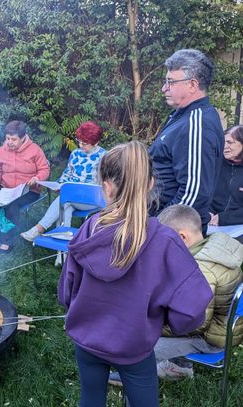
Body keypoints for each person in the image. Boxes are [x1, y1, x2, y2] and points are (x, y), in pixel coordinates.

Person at [58, 141, 212, 407]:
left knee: (90, 399)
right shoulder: (166, 240)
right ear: (150, 183)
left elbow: (66, 290)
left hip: (87, 341)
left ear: (106, 187)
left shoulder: (89, 229)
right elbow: (191, 310)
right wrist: (168, 323)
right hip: (134, 347)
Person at [153, 205, 242, 379]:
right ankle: (179, 366)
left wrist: (153, 326)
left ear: (182, 237)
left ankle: (133, 379)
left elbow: (195, 323)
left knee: (143, 343)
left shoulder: (201, 271)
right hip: (225, 328)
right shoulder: (214, 244)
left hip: (211, 339)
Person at [149, 49, 224, 235]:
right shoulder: (182, 116)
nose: (164, 88)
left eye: (170, 82)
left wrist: (156, 229)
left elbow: (194, 194)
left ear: (192, 84)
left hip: (172, 236)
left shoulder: (198, 123)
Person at [21, 121, 105, 242]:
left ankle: (40, 229)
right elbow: (68, 173)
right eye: (79, 141)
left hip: (92, 198)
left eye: (85, 143)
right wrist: (59, 184)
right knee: (66, 206)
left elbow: (107, 184)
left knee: (64, 201)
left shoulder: (105, 157)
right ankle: (64, 246)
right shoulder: (76, 153)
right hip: (72, 196)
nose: (80, 145)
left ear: (96, 142)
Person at [0, 120, 50, 253]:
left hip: (28, 190)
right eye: (7, 138)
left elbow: (44, 169)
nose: (9, 142)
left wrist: (36, 178)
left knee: (11, 206)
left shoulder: (35, 150)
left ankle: (8, 240)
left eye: (13, 139)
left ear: (23, 137)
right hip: (6, 188)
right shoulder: (3, 149)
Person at [209, 125, 243, 230]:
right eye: (223, 142)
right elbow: (203, 192)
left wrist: (223, 218)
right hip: (210, 224)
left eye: (230, 142)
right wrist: (207, 212)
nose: (225, 146)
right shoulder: (214, 163)